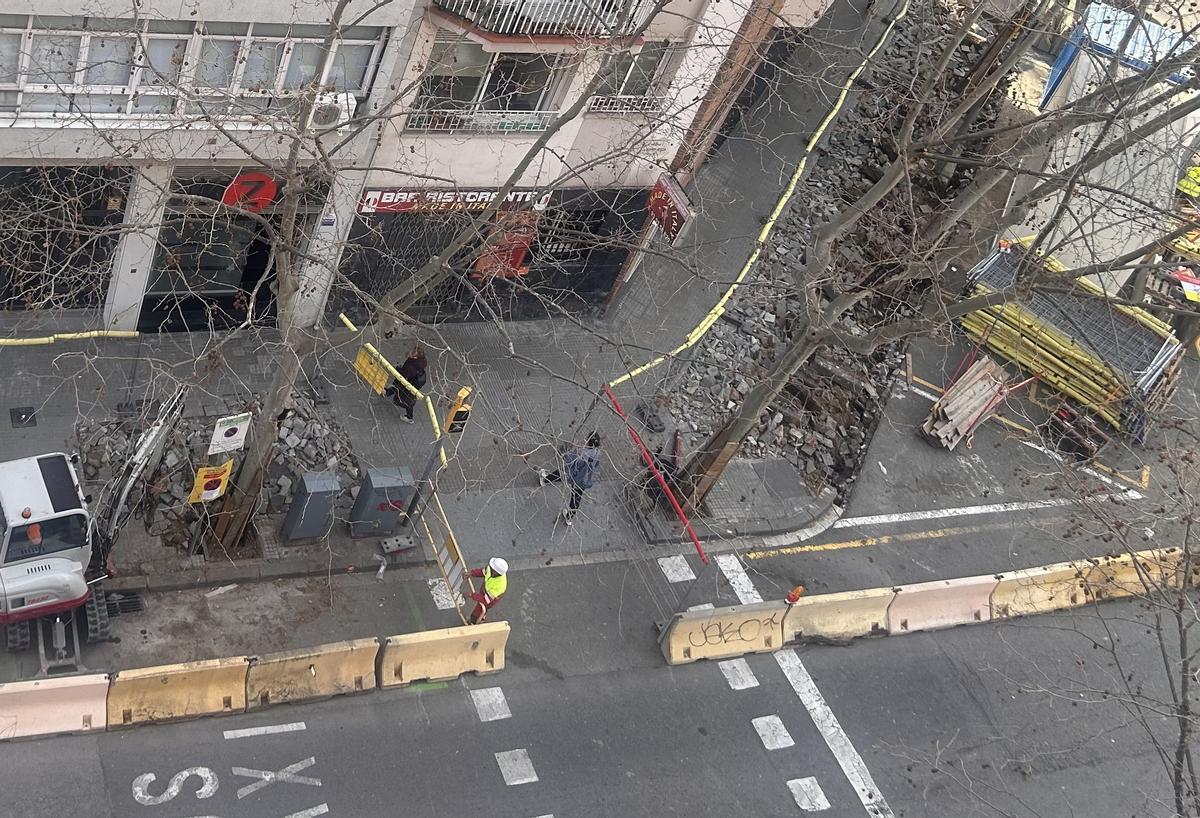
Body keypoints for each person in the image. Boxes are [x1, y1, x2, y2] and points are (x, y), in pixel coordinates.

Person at [539, 433, 602, 526]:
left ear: (588, 441)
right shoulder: (598, 453)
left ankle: (545, 480)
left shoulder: (581, 452)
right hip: (584, 480)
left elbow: (567, 459)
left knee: (560, 474)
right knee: (576, 498)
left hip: (572, 475)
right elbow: (595, 466)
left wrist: (573, 448)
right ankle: (569, 517)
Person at [384, 346, 428, 423]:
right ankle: (388, 392)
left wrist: (397, 368)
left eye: (412, 352)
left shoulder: (411, 367)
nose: (409, 352)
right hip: (411, 381)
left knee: (407, 401)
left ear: (415, 357)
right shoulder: (421, 361)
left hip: (408, 384)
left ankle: (409, 417)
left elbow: (403, 374)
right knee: (398, 385)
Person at [468, 557, 508, 624]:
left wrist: (471, 595)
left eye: (492, 568)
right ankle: (482, 618)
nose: (489, 567)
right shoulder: (491, 569)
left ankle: (474, 621)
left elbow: (486, 600)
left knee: (480, 609)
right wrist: (471, 573)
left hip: (490, 599)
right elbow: (483, 572)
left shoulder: (500, 585)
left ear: (496, 572)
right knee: (482, 608)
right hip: (484, 591)